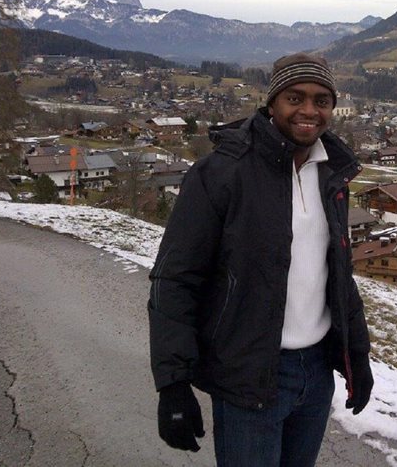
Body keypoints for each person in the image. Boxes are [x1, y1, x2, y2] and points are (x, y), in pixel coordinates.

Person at [148, 52, 374, 466]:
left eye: (322, 100)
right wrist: (173, 384)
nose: (309, 110)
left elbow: (338, 274)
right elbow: (175, 279)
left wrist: (356, 355)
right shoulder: (222, 173)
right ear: (272, 103)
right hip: (248, 375)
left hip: (316, 373)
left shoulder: (331, 173)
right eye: (295, 98)